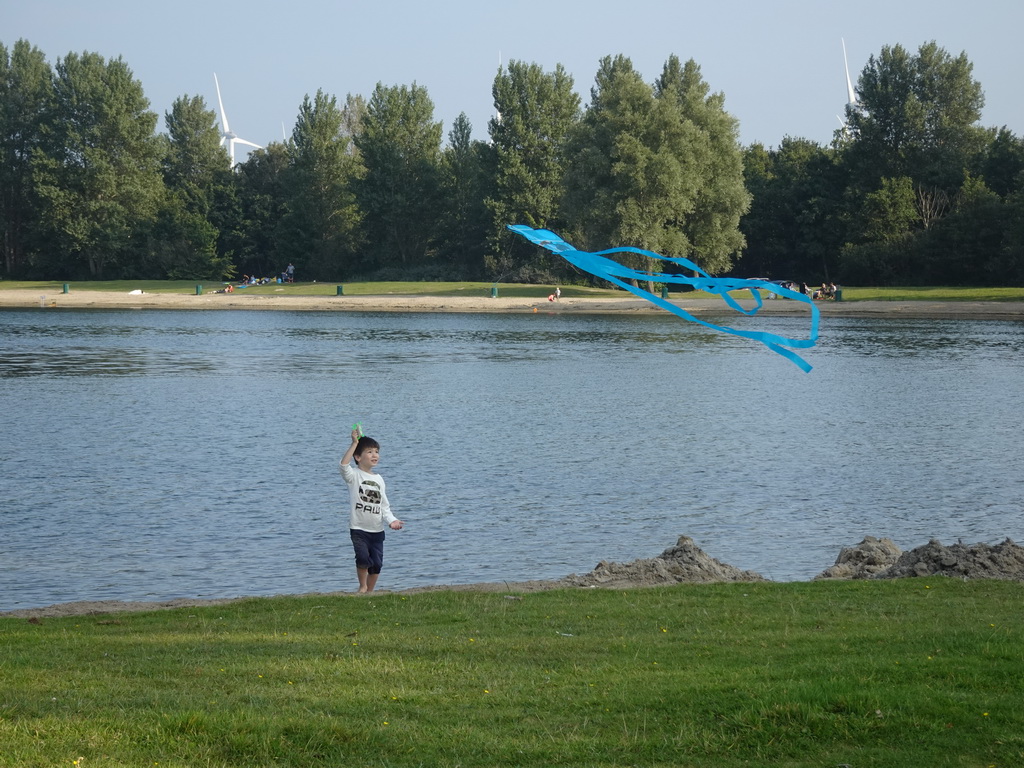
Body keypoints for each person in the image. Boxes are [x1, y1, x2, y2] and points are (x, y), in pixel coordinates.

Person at [339, 428, 404, 593]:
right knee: (362, 558)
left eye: (376, 451)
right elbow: (343, 466)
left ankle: (370, 592)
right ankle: (362, 587)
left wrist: (392, 520)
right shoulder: (354, 476)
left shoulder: (379, 479)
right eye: (369, 452)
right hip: (359, 529)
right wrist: (354, 443)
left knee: (376, 564)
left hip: (377, 530)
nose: (375, 455)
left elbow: (384, 506)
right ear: (358, 457)